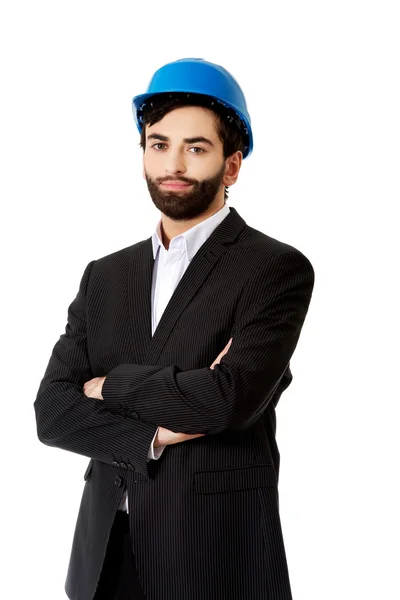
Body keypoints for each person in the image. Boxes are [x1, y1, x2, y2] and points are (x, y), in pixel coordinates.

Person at [34, 57, 315, 600]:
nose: (174, 163)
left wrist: (109, 387)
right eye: (159, 144)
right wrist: (155, 435)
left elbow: (226, 400)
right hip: (106, 552)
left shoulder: (273, 269)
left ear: (232, 166)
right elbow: (52, 411)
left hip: (214, 552)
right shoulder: (106, 275)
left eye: (197, 147)